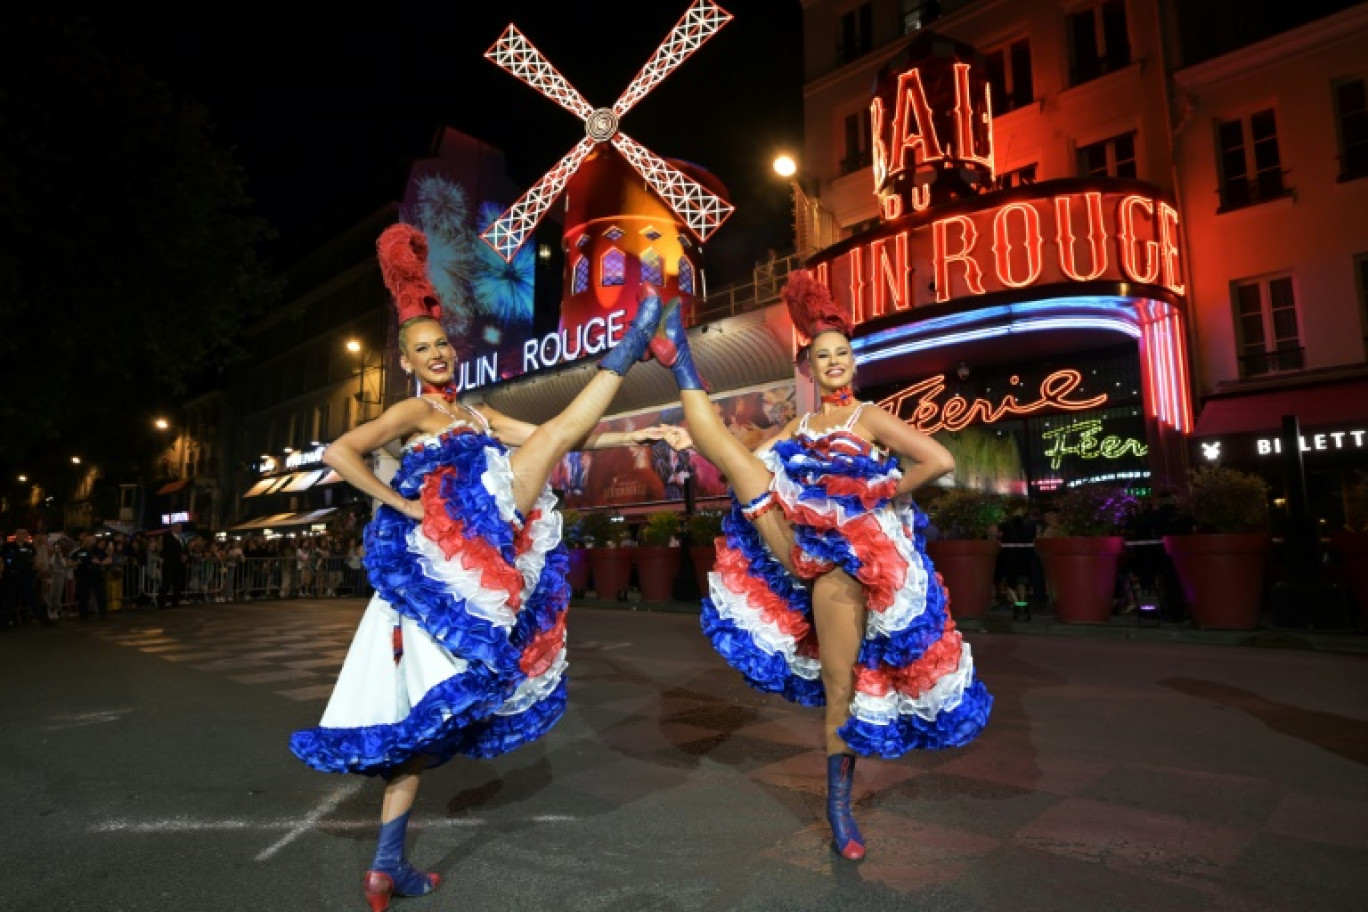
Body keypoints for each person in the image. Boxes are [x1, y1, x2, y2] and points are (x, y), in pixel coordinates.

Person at [288, 223, 670, 912]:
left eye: (441, 344)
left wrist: (627, 433)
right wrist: (395, 505)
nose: (436, 354)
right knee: (417, 724)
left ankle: (385, 867)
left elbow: (560, 439)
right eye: (423, 349)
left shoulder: (477, 410)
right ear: (408, 361)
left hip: (482, 549)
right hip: (446, 555)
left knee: (423, 726)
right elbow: (340, 452)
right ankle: (631, 344)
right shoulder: (413, 410)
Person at [653, 270, 993, 860]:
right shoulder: (801, 425)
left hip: (853, 564)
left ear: (852, 362)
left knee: (842, 683)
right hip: (797, 543)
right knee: (739, 464)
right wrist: (695, 446)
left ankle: (840, 808)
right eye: (821, 356)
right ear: (808, 367)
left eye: (840, 354)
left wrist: (884, 491)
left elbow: (937, 458)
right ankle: (680, 362)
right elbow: (752, 453)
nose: (832, 363)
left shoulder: (869, 417)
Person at [2, 528, 52, 628]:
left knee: (33, 597)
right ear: (15, 534)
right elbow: (2, 560)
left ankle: (42, 620)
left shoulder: (29, 547)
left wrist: (38, 567)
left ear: (26, 535)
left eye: (24, 533)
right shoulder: (7, 546)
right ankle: (4, 622)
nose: (21, 535)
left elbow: (34, 559)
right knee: (8, 599)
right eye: (19, 533)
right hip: (11, 575)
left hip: (25, 575)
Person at [159, 522, 188, 608]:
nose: (180, 529)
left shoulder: (181, 539)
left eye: (181, 527)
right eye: (178, 527)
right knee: (166, 583)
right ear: (173, 528)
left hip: (179, 565)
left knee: (177, 584)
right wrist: (179, 556)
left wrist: (186, 556)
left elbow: (185, 549)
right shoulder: (167, 537)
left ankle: (175, 602)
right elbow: (168, 550)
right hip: (170, 564)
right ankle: (161, 602)